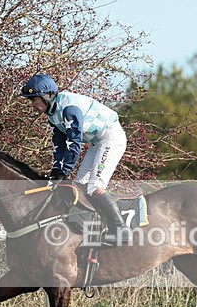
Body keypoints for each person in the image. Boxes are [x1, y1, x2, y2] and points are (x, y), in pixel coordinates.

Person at [21, 74, 132, 244]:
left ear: (47, 96)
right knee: (80, 186)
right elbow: (59, 145)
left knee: (95, 186)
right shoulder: (52, 114)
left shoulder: (68, 108)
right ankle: (94, 228)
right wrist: (57, 170)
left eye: (34, 99)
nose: (32, 105)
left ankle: (121, 230)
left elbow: (74, 142)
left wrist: (65, 171)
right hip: (97, 142)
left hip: (111, 138)